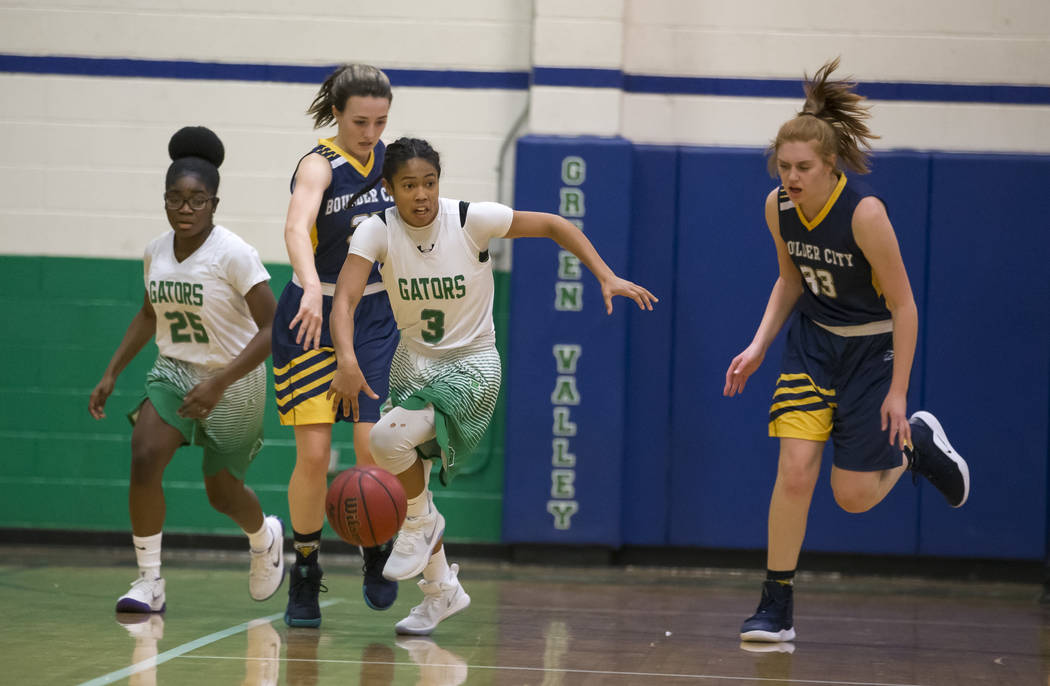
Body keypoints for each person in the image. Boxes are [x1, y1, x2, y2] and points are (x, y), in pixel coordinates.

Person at [327, 137, 657, 635]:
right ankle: (441, 591)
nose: (421, 194)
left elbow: (553, 224)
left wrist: (606, 276)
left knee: (384, 441)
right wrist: (346, 360)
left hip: (473, 364)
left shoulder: (469, 219)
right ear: (390, 188)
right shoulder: (376, 230)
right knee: (405, 472)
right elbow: (345, 300)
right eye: (409, 185)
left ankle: (418, 525)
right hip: (413, 364)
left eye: (429, 182)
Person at [723, 58, 971, 643]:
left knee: (854, 496)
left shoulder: (865, 215)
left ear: (830, 164)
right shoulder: (777, 207)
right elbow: (790, 280)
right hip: (811, 346)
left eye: (803, 167)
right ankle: (776, 606)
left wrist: (898, 390)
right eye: (783, 167)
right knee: (795, 471)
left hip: (871, 353)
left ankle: (917, 444)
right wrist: (759, 345)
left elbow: (905, 306)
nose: (791, 178)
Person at [89, 126, 284, 613]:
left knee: (221, 494)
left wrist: (219, 383)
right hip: (174, 370)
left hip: (234, 381)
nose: (185, 208)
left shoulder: (234, 254)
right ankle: (149, 580)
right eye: (175, 199)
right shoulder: (156, 251)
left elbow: (274, 329)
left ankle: (264, 539)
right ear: (165, 201)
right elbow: (150, 312)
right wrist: (112, 371)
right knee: (144, 454)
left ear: (214, 203)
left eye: (197, 200)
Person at [272, 63, 400, 627]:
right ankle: (305, 569)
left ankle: (376, 548)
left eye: (379, 122)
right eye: (359, 121)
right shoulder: (317, 165)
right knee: (316, 455)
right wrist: (303, 283)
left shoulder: (394, 165)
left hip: (373, 314)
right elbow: (297, 228)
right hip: (312, 312)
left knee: (374, 449)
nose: (369, 133)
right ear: (338, 114)